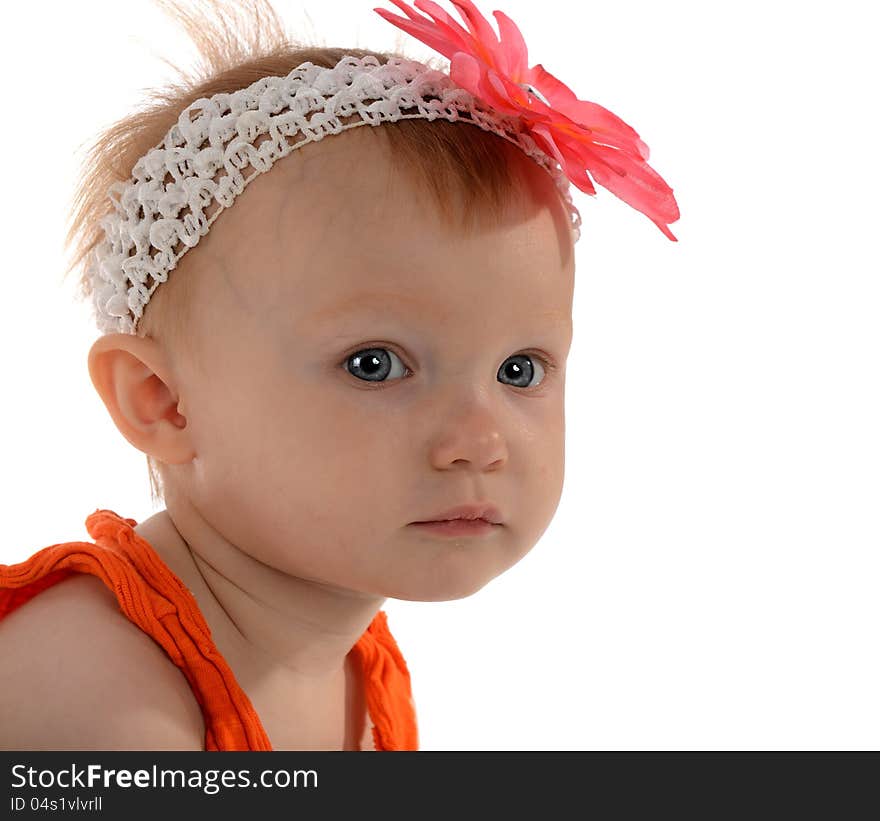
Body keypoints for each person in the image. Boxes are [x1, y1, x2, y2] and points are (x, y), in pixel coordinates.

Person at [0, 0, 678, 751]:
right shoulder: (93, 687)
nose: (479, 441)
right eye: (375, 364)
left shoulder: (358, 667)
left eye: (520, 370)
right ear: (164, 402)